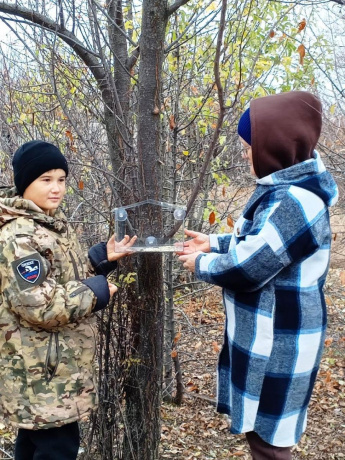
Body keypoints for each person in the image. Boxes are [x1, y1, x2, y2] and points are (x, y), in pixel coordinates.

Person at [178, 91, 338, 459]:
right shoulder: (286, 191)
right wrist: (214, 243)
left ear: (274, 146)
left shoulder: (297, 202)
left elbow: (251, 266)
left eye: (250, 145)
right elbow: (261, 241)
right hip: (272, 335)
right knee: (263, 438)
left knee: (271, 445)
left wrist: (201, 264)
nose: (245, 153)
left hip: (283, 340)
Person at [0, 140, 135, 460]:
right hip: (42, 376)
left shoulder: (48, 223)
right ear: (25, 184)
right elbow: (37, 304)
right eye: (46, 180)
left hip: (52, 372)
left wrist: (99, 259)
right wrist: (95, 292)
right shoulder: (19, 236)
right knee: (57, 449)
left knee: (35, 445)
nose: (56, 188)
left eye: (61, 179)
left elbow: (58, 278)